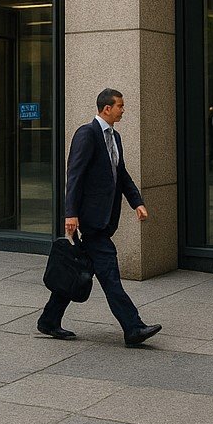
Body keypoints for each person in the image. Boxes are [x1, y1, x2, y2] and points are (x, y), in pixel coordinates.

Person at [37, 88, 161, 348]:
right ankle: (133, 327)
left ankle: (49, 320)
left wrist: (137, 202)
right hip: (92, 222)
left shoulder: (114, 137)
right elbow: (75, 174)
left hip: (104, 219)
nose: (123, 110)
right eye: (120, 106)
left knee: (79, 271)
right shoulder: (87, 134)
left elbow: (122, 175)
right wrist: (70, 213)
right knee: (110, 276)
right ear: (107, 108)